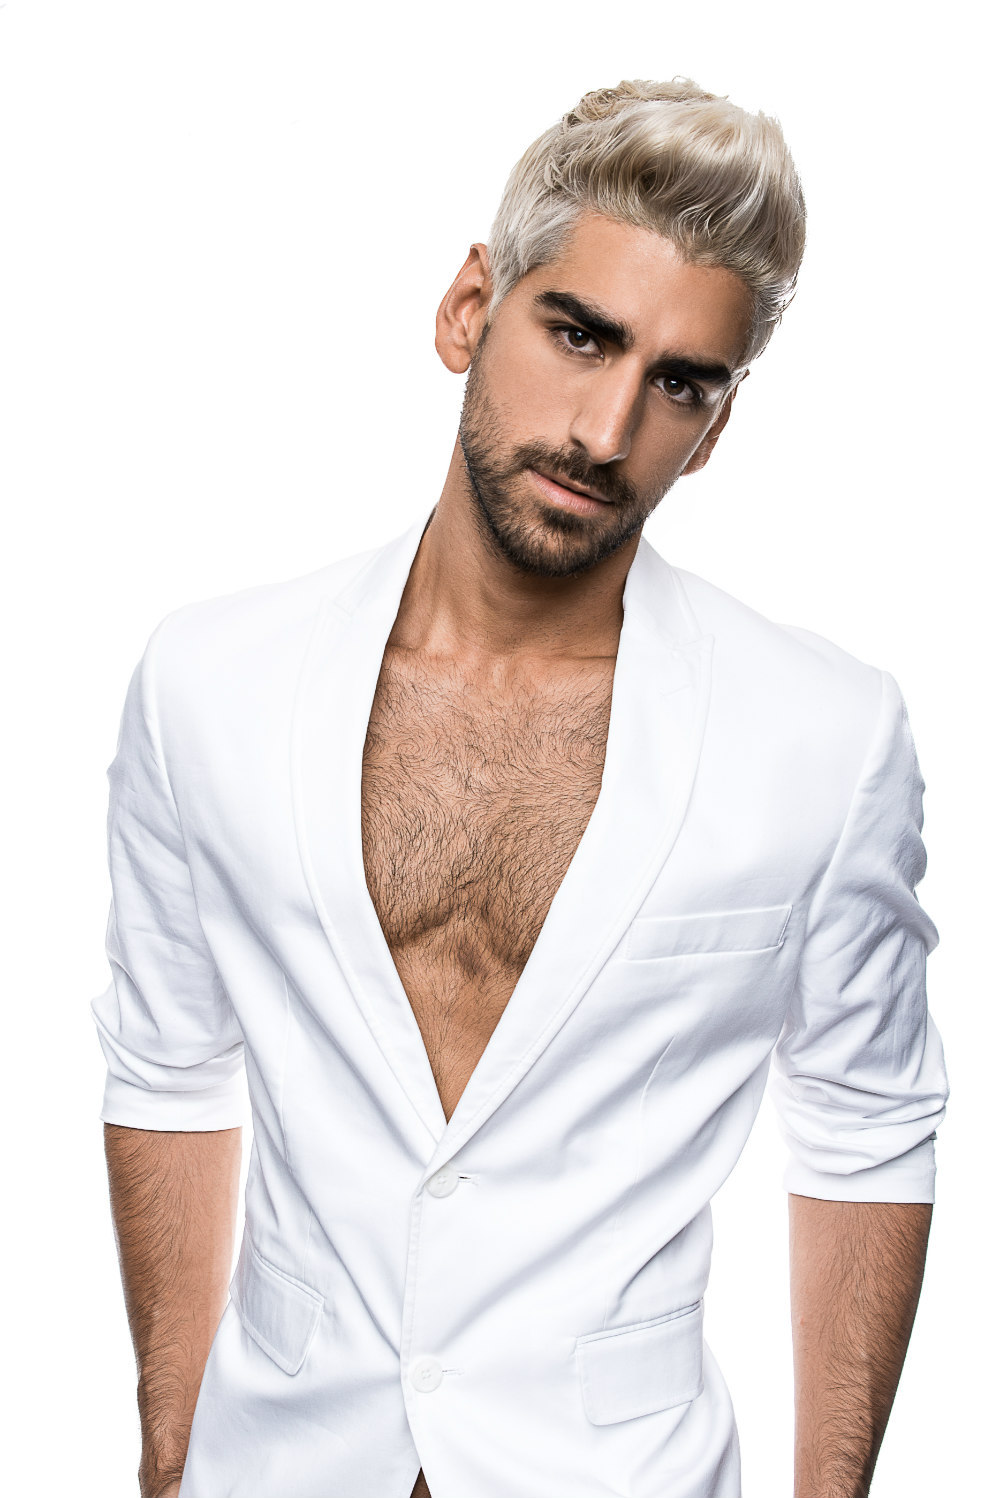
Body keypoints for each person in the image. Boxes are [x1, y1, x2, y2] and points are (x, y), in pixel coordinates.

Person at [92, 77, 949, 1498]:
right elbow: (167, 1068)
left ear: (717, 427)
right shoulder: (210, 683)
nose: (607, 431)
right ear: (468, 309)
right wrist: (174, 1456)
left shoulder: (825, 735)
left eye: (682, 383)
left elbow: (866, 1129)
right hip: (279, 1462)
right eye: (580, 334)